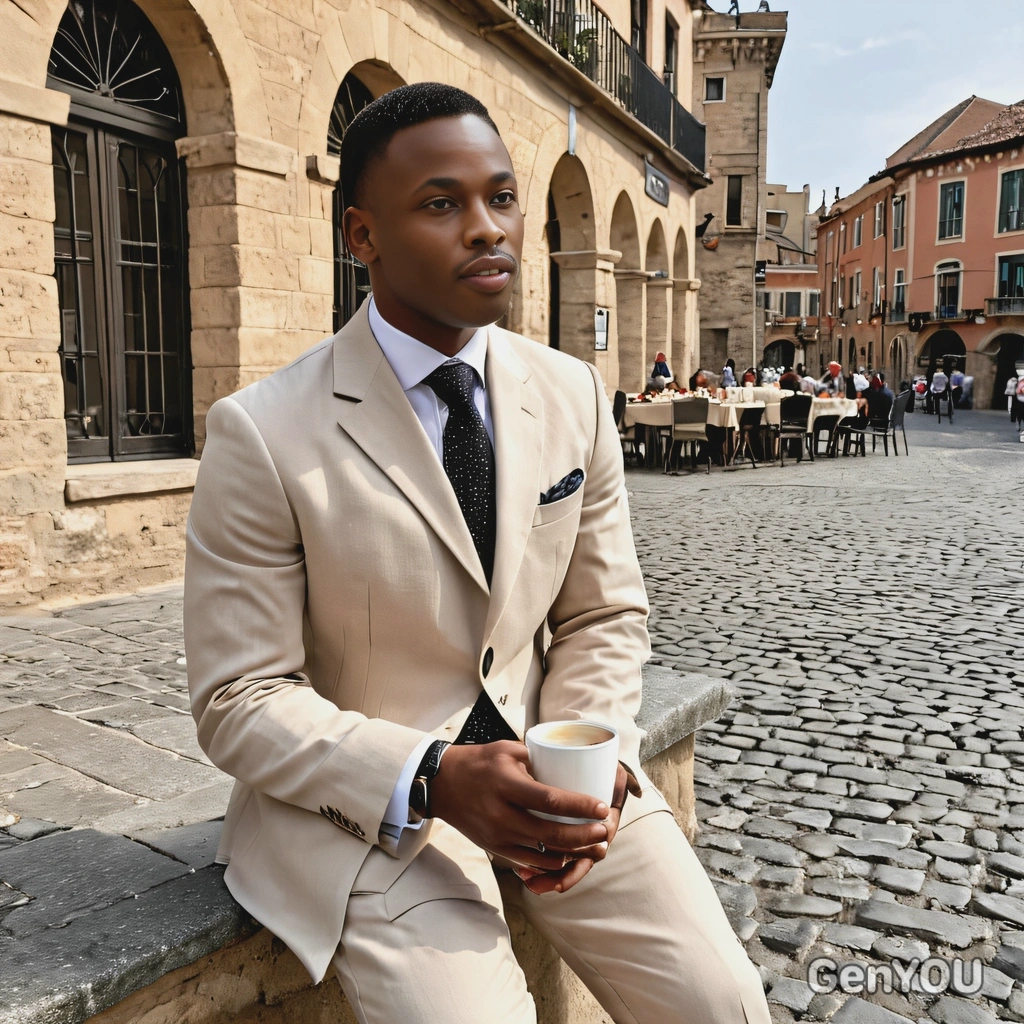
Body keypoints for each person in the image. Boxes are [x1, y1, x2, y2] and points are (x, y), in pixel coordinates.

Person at [183, 83, 768, 1024]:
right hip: (373, 812)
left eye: (501, 197)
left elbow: (604, 611)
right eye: (440, 203)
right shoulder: (263, 431)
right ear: (363, 236)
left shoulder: (573, 393)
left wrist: (588, 756)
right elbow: (238, 699)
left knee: (723, 1003)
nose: (488, 228)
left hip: (558, 777)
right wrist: (430, 775)